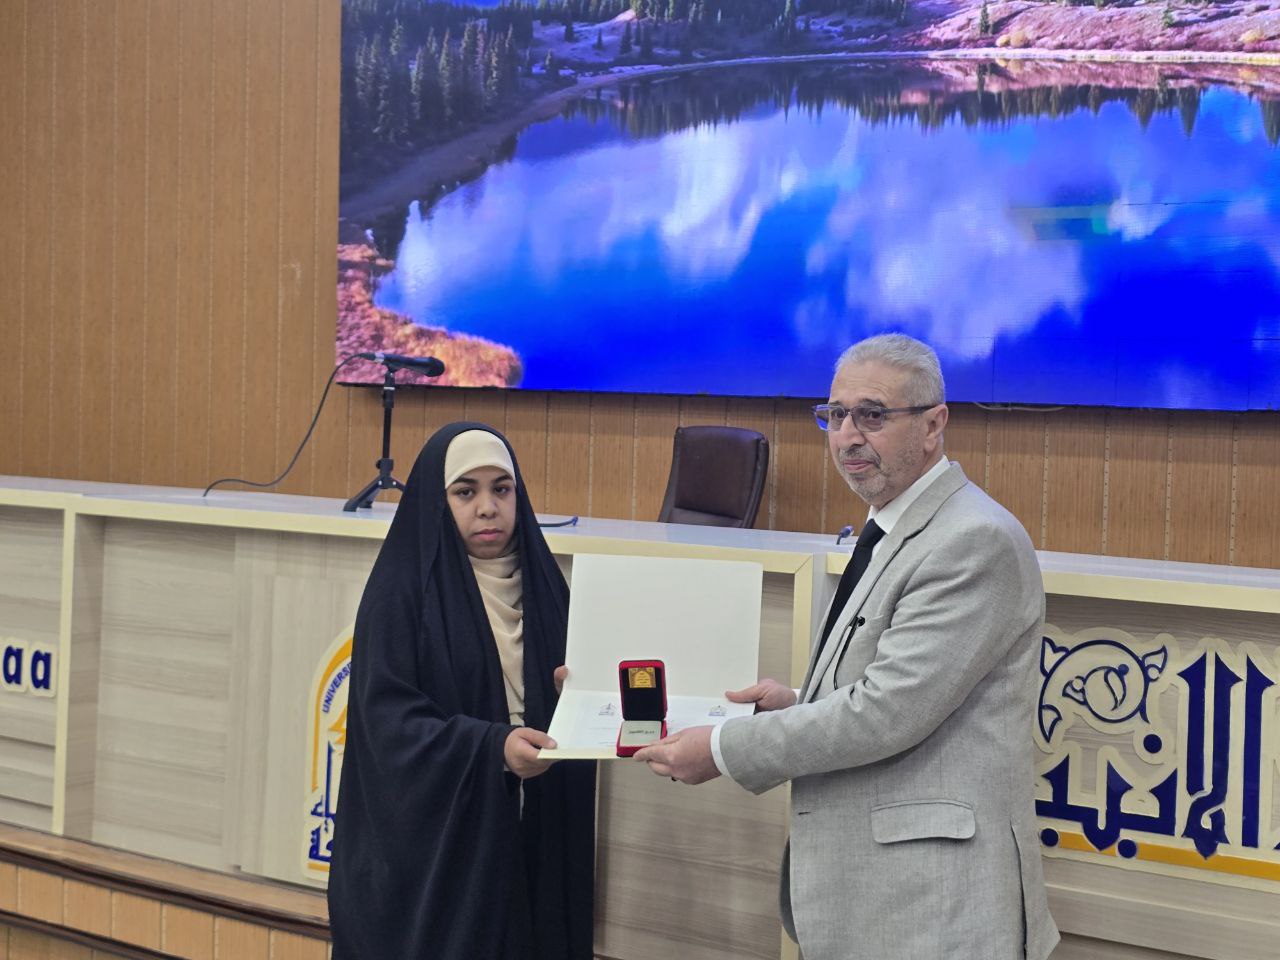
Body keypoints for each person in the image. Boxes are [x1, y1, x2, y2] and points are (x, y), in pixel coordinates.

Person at [636, 334, 1059, 960]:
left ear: (934, 424)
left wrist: (724, 748)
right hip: (886, 900)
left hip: (935, 908)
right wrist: (797, 702)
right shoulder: (894, 526)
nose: (847, 437)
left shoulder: (972, 539)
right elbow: (895, 689)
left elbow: (887, 713)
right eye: (835, 415)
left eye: (872, 415)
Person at [328, 422, 595, 960]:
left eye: (502, 489)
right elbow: (388, 727)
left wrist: (577, 696)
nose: (488, 508)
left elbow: (575, 700)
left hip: (533, 834)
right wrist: (491, 748)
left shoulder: (547, 589)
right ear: (437, 500)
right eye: (466, 492)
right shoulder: (401, 594)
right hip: (437, 859)